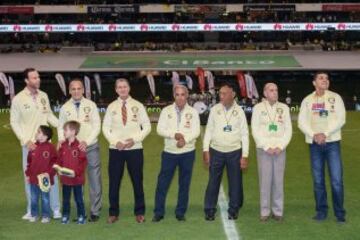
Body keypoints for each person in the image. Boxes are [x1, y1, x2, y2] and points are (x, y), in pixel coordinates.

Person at [10, 68, 61, 220]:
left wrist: (62, 124)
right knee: (30, 178)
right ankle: (31, 210)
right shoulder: (18, 99)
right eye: (34, 78)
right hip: (30, 146)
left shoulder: (43, 95)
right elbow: (14, 122)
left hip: (47, 145)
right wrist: (26, 140)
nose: (38, 80)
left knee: (51, 176)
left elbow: (49, 115)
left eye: (38, 77)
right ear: (26, 80)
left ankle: (55, 208)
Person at [298, 72, 346, 223]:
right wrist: (314, 135)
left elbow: (341, 119)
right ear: (314, 83)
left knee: (336, 180)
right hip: (314, 144)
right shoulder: (307, 100)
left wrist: (324, 134)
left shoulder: (335, 97)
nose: (325, 80)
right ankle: (321, 211)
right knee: (318, 180)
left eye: (326, 78)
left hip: (332, 143)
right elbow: (301, 122)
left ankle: (340, 214)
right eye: (321, 78)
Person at [103, 78, 151, 224]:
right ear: (116, 90)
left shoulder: (138, 105)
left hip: (134, 149)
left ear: (129, 88)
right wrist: (115, 142)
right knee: (114, 182)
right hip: (116, 149)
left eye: (125, 86)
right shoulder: (111, 107)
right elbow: (105, 127)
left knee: (137, 181)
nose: (122, 89)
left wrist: (135, 140)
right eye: (119, 87)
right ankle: (113, 212)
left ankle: (140, 212)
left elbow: (147, 126)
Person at [153, 84, 200, 222]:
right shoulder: (166, 111)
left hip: (187, 152)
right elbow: (160, 130)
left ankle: (180, 212)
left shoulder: (193, 112)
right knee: (163, 183)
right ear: (174, 96)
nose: (180, 97)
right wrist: (175, 135)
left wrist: (185, 140)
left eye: (183, 94)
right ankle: (158, 212)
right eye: (177, 94)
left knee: (184, 184)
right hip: (169, 153)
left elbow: (196, 131)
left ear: (187, 96)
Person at [203, 82, 249, 221]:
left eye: (224, 93)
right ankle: (209, 210)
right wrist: (205, 150)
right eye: (220, 93)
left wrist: (245, 155)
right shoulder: (215, 109)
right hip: (216, 151)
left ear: (232, 94)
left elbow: (244, 134)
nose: (221, 96)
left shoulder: (240, 111)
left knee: (235, 182)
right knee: (213, 182)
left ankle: (233, 209)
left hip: (234, 152)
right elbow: (209, 130)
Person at [58, 79, 102, 222]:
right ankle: (80, 211)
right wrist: (62, 140)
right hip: (71, 150)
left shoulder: (91, 105)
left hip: (90, 147)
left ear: (83, 90)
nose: (76, 91)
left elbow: (97, 126)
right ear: (69, 91)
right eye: (73, 89)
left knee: (94, 179)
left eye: (79, 88)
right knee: (74, 179)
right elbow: (60, 127)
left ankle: (95, 210)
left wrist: (86, 142)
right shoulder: (65, 107)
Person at [251, 83, 292, 222]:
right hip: (264, 150)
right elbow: (255, 129)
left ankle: (278, 211)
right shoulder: (258, 108)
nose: (275, 92)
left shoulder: (284, 108)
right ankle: (265, 211)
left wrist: (280, 146)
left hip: (280, 149)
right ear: (265, 93)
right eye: (271, 90)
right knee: (265, 181)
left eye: (276, 90)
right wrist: (266, 146)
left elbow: (288, 130)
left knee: (278, 181)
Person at [57, 121, 87, 224]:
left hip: (77, 179)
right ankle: (65, 215)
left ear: (73, 132)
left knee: (79, 199)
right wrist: (59, 170)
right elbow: (59, 160)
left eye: (66, 130)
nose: (64, 132)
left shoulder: (80, 146)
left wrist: (76, 173)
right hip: (65, 180)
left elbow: (83, 162)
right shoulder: (62, 145)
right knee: (65, 200)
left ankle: (81, 216)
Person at [25, 126, 57, 223]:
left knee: (45, 198)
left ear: (45, 136)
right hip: (34, 178)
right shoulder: (33, 147)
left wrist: (49, 173)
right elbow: (29, 162)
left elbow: (55, 162)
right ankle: (34, 215)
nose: (36, 133)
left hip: (45, 179)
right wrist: (28, 175)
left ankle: (46, 216)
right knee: (34, 198)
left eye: (38, 132)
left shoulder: (51, 148)